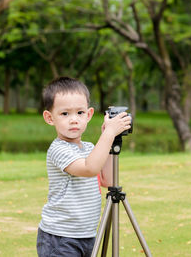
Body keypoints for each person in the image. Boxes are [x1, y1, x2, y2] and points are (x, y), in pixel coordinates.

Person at [37, 76, 132, 257]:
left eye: (80, 113)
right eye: (65, 114)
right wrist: (109, 133)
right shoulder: (58, 149)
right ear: (50, 118)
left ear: (88, 115)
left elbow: (108, 180)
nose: (74, 120)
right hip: (60, 237)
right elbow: (89, 169)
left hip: (87, 235)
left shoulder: (89, 148)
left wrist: (110, 139)